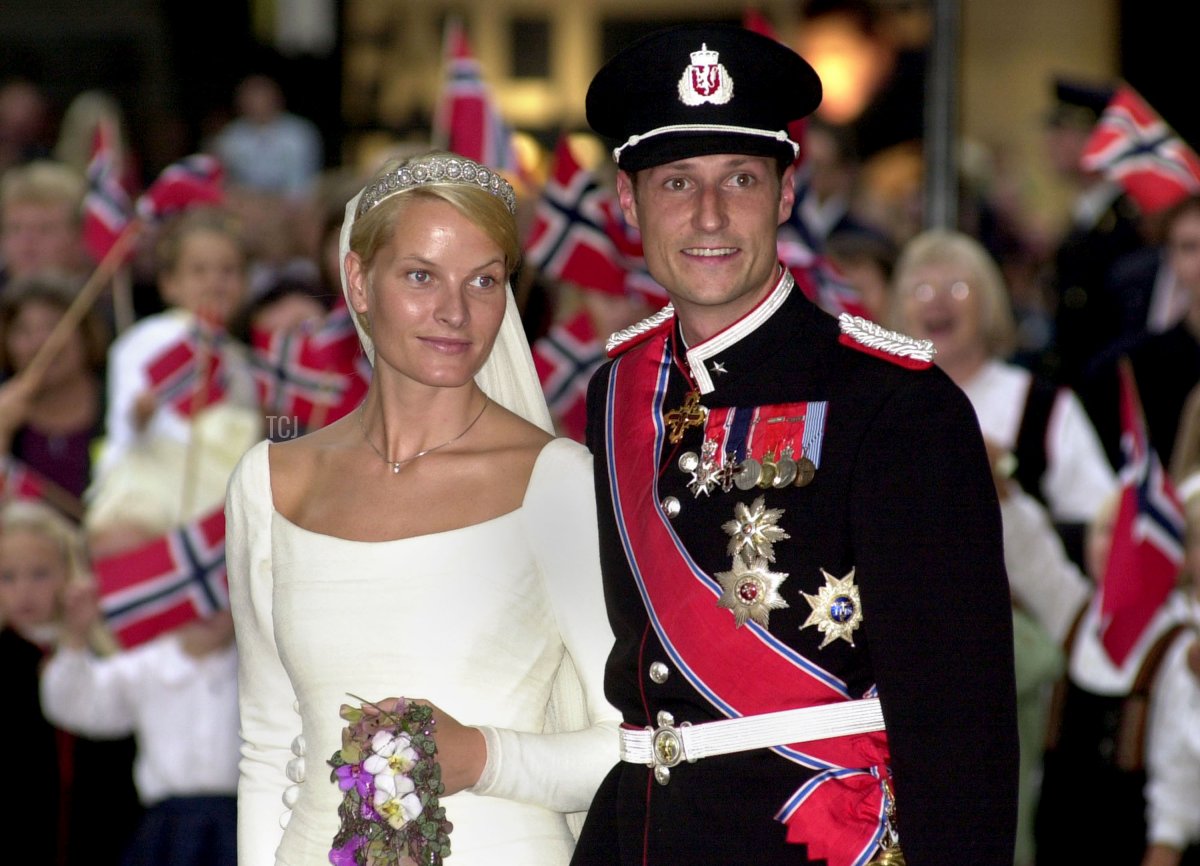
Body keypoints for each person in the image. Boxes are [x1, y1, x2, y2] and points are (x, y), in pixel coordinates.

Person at [574, 23, 1018, 866]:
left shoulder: (895, 405)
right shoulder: (615, 393)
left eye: (740, 178)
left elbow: (962, 726)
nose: (709, 215)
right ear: (627, 203)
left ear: (785, 194)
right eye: (676, 183)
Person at [226, 150, 621, 866]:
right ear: (358, 281)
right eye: (420, 276)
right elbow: (265, 745)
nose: (455, 312)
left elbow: (633, 746)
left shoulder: (556, 481)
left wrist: (482, 757)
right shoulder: (269, 481)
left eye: (484, 281)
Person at [888, 228, 1117, 565]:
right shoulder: (877, 404)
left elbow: (1100, 521)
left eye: (958, 288)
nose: (937, 301)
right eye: (921, 289)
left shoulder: (1043, 405)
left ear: (989, 302)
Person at [86, 205, 261, 555]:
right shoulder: (150, 337)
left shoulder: (242, 359)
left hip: (221, 489)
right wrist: (142, 413)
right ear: (170, 284)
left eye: (228, 271)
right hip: (155, 479)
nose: (215, 282)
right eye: (199, 271)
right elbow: (126, 424)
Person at [41, 592, 239, 866]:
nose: (205, 608)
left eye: (218, 596)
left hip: (243, 824)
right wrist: (75, 638)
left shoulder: (261, 669)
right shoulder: (145, 664)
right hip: (168, 831)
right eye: (191, 597)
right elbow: (75, 704)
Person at [0, 498, 142, 866]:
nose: (24, 590)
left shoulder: (100, 650)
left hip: (99, 831)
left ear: (69, 572)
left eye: (40, 574)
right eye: (8, 577)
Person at [0, 273, 110, 506]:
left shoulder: (116, 398)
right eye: (23, 331)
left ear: (85, 332)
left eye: (53, 326)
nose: (40, 343)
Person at [209, 74, 323, 200]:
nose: (257, 103)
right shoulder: (230, 136)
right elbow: (222, 180)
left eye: (262, 97)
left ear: (277, 99)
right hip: (247, 201)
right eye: (250, 98)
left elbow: (303, 180)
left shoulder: (299, 133)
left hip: (290, 202)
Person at [0, 159, 90, 290]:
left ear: (77, 237)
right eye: (15, 229)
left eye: (45, 229)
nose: (26, 242)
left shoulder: (106, 304)